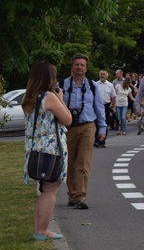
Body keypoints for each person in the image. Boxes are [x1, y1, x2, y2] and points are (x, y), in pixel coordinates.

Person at [22, 62, 72, 240]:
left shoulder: (29, 97)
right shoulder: (49, 97)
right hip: (50, 149)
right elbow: (67, 119)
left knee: (44, 190)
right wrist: (61, 99)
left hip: (35, 147)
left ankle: (38, 229)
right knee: (50, 190)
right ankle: (42, 231)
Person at [62, 53, 107, 209]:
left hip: (88, 126)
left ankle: (81, 196)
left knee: (84, 162)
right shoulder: (62, 85)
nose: (79, 67)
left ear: (86, 68)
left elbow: (99, 107)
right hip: (68, 128)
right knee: (70, 163)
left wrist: (102, 128)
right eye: (77, 64)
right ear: (72, 67)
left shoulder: (92, 86)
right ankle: (72, 194)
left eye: (82, 65)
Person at [94, 69, 117, 147]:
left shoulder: (110, 85)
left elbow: (113, 97)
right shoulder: (95, 84)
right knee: (96, 123)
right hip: (97, 106)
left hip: (106, 105)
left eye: (104, 74)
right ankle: (96, 140)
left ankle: (102, 140)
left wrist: (113, 107)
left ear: (107, 76)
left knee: (105, 123)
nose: (102, 76)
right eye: (101, 74)